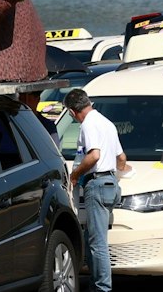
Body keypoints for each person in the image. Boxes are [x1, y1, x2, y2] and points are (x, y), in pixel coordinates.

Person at [65, 89, 126, 292]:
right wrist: (115, 176)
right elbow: (122, 159)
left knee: (97, 243)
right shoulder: (107, 123)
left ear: (73, 112)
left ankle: (102, 288)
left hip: (97, 184)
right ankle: (95, 283)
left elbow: (94, 156)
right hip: (110, 184)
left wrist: (75, 176)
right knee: (92, 236)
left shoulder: (88, 124)